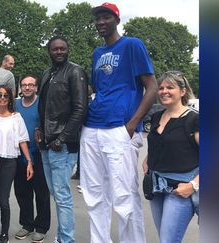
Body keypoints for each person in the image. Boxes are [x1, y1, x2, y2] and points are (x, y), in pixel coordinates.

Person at [80, 3, 158, 243]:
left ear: (116, 20)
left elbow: (152, 85)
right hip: (92, 127)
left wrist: (132, 125)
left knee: (124, 196)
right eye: (97, 19)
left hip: (119, 128)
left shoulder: (132, 45)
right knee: (94, 195)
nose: (100, 22)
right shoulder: (97, 53)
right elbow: (100, 89)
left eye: (105, 17)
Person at [36, 36, 88, 243]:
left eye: (62, 49)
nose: (59, 52)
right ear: (49, 51)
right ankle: (63, 236)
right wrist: (40, 128)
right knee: (56, 193)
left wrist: (62, 138)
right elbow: (44, 107)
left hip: (62, 145)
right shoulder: (47, 73)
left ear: (68, 50)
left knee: (62, 195)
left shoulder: (75, 72)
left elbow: (80, 108)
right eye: (55, 49)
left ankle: (66, 239)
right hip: (47, 143)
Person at [142, 71, 199, 242]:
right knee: (165, 238)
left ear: (182, 91)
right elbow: (158, 142)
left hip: (180, 189)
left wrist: (193, 185)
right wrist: (147, 160)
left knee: (168, 240)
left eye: (170, 87)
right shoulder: (157, 116)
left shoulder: (193, 119)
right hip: (156, 186)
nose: (164, 91)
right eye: (161, 88)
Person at [0, 85, 33, 243]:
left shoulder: (16, 118)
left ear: (10, 98)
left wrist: (29, 161)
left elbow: (22, 140)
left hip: (8, 162)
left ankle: (4, 233)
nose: (2, 98)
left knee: (3, 199)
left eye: (5, 95)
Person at [14, 75, 50, 243]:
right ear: (21, 88)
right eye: (24, 85)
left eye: (31, 85)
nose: (27, 88)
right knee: (22, 192)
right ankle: (27, 224)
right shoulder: (14, 105)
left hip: (38, 154)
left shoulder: (42, 104)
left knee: (41, 192)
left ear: (36, 88)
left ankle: (41, 227)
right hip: (18, 155)